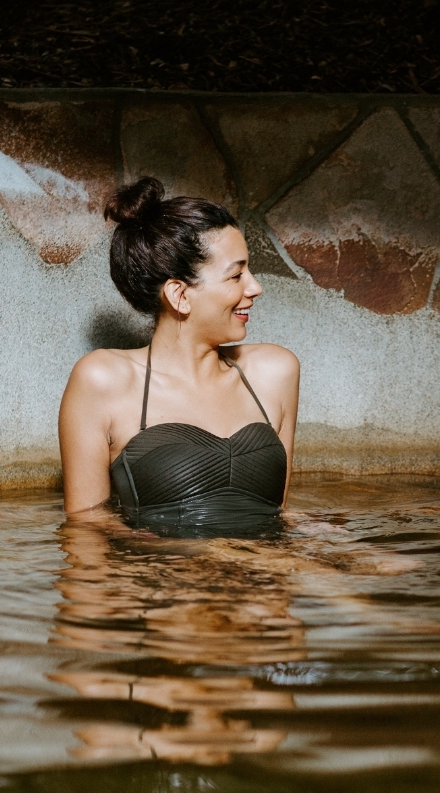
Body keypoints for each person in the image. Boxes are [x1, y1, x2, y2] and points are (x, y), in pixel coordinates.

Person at [58, 177, 299, 537]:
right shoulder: (104, 380)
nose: (255, 287)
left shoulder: (274, 372)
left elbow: (278, 513)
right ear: (180, 294)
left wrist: (337, 544)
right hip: (167, 586)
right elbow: (87, 527)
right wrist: (210, 555)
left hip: (263, 586)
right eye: (236, 275)